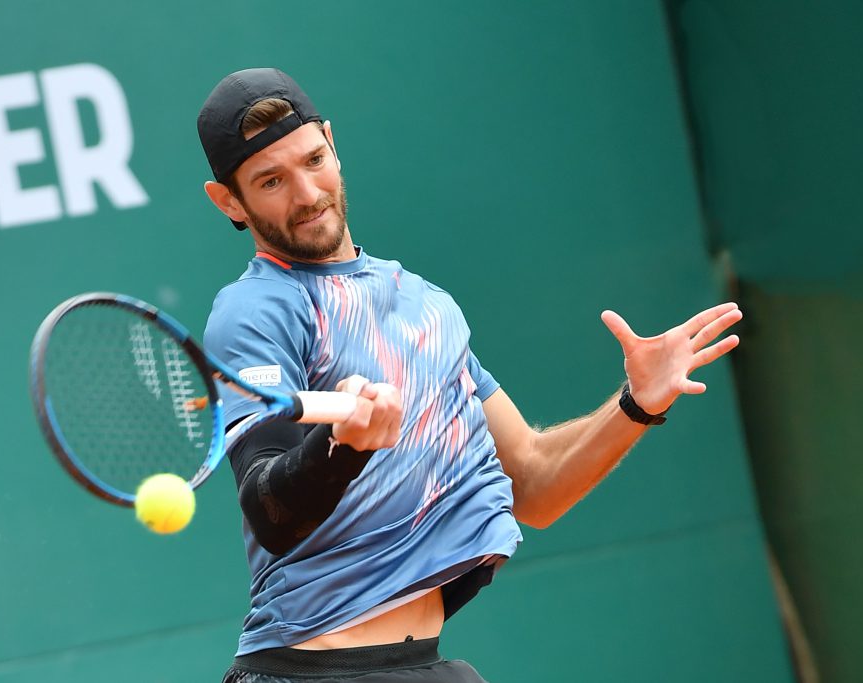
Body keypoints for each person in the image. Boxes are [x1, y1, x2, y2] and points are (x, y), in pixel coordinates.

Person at [197, 68, 742, 683]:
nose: (306, 193)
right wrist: (338, 447)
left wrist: (637, 404)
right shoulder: (256, 310)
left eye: (313, 160)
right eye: (271, 181)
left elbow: (533, 483)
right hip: (309, 673)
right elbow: (270, 510)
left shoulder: (427, 306)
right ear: (229, 202)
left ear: (331, 141)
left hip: (420, 666)